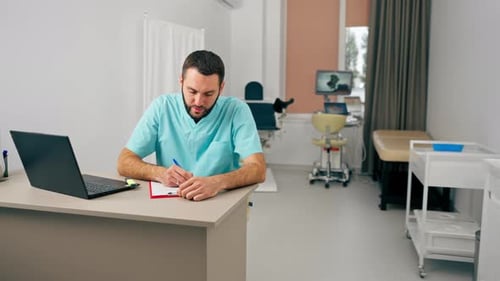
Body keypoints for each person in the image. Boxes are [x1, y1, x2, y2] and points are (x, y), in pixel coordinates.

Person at [117, 50, 266, 201]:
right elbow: (124, 162)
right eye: (192, 91)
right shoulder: (162, 107)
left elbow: (258, 169)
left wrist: (217, 182)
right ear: (181, 82)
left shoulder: (236, 111)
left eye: (208, 94)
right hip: (173, 201)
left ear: (221, 88)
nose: (198, 102)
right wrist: (159, 173)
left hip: (222, 202)